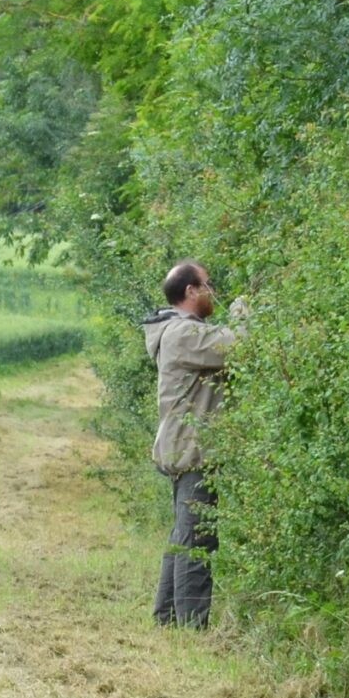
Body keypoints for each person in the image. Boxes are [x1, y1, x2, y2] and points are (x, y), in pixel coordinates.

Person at [143, 259, 250, 628]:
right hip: (192, 451)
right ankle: (191, 628)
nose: (212, 291)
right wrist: (243, 313)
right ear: (190, 291)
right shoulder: (182, 335)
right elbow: (237, 345)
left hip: (180, 447)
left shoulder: (174, 331)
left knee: (182, 536)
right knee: (196, 541)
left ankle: (167, 618)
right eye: (207, 284)